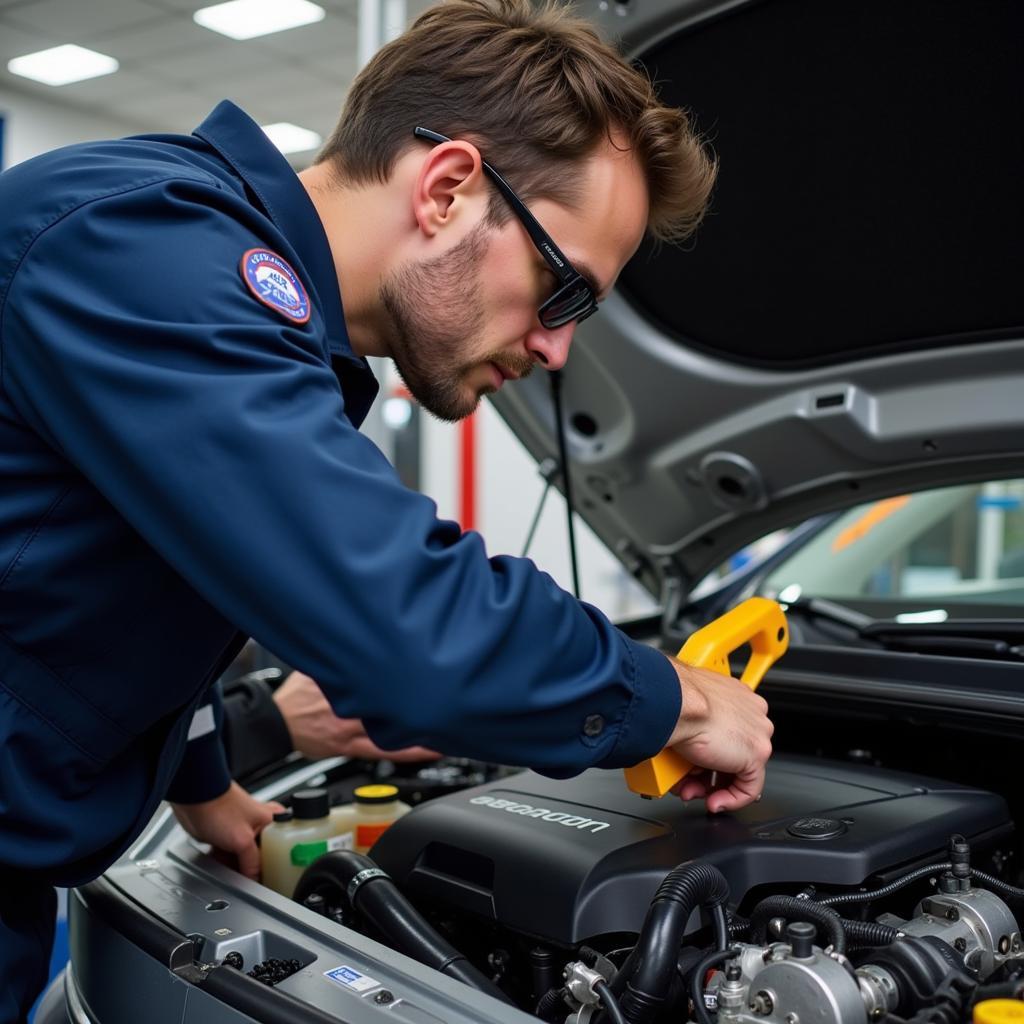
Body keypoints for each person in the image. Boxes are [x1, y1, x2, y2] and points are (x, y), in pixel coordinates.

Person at [0, 0, 774, 1016]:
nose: (556, 350)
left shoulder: (217, 293)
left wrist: (197, 776)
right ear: (450, 188)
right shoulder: (145, 244)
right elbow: (403, 623)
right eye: (564, 292)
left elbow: (150, 570)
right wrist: (671, 698)